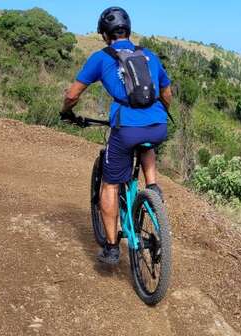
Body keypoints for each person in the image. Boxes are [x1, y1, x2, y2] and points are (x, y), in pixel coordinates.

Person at [60, 7, 172, 265]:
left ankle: (112, 248)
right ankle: (153, 188)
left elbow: (72, 94)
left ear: (104, 34)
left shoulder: (101, 58)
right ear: (128, 31)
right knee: (147, 143)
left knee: (110, 184)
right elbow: (167, 92)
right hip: (158, 124)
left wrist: (66, 111)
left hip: (126, 129)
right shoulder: (149, 56)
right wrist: (160, 113)